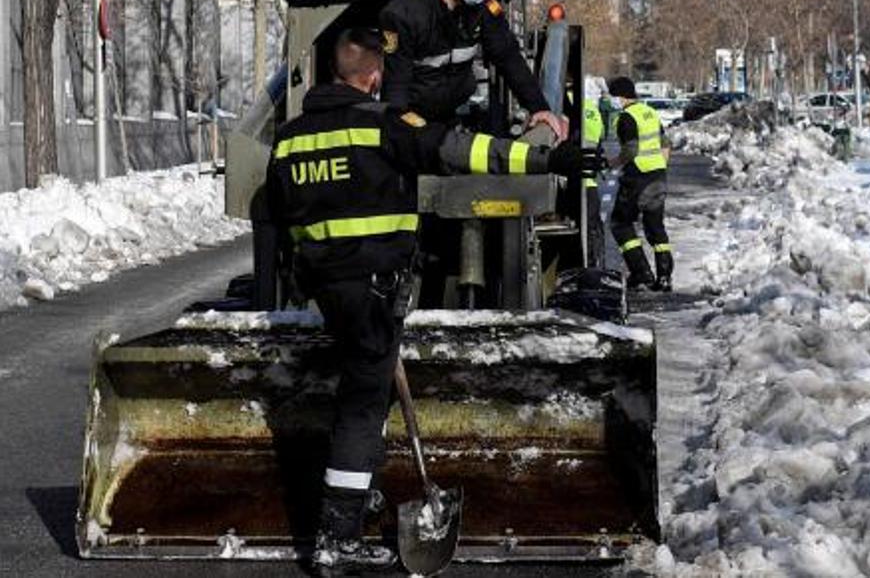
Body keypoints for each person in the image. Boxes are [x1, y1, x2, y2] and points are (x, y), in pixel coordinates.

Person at [265, 28, 592, 571]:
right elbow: (459, 150)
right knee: (362, 403)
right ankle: (336, 534)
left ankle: (361, 488)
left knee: (365, 384)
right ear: (373, 77)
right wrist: (544, 162)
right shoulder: (383, 125)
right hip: (374, 288)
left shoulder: (292, 138)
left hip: (326, 288)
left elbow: (279, 214)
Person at [379, 0, 566, 140]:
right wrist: (407, 135)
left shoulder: (484, 7)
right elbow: (396, 88)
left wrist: (539, 108)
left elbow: (508, 57)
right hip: (415, 121)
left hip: (453, 116)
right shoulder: (403, 15)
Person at [607, 76, 672, 292]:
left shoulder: (626, 117)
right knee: (655, 227)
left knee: (620, 223)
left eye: (612, 96)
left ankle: (641, 272)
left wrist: (614, 163)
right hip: (657, 175)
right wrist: (661, 165)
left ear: (620, 96)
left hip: (637, 177)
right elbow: (665, 143)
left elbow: (631, 149)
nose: (611, 101)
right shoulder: (650, 112)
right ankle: (664, 277)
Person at [582, 79, 606, 266]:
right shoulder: (592, 109)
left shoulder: (557, 105)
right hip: (589, 180)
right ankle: (594, 262)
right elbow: (599, 140)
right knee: (593, 226)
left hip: (565, 179)